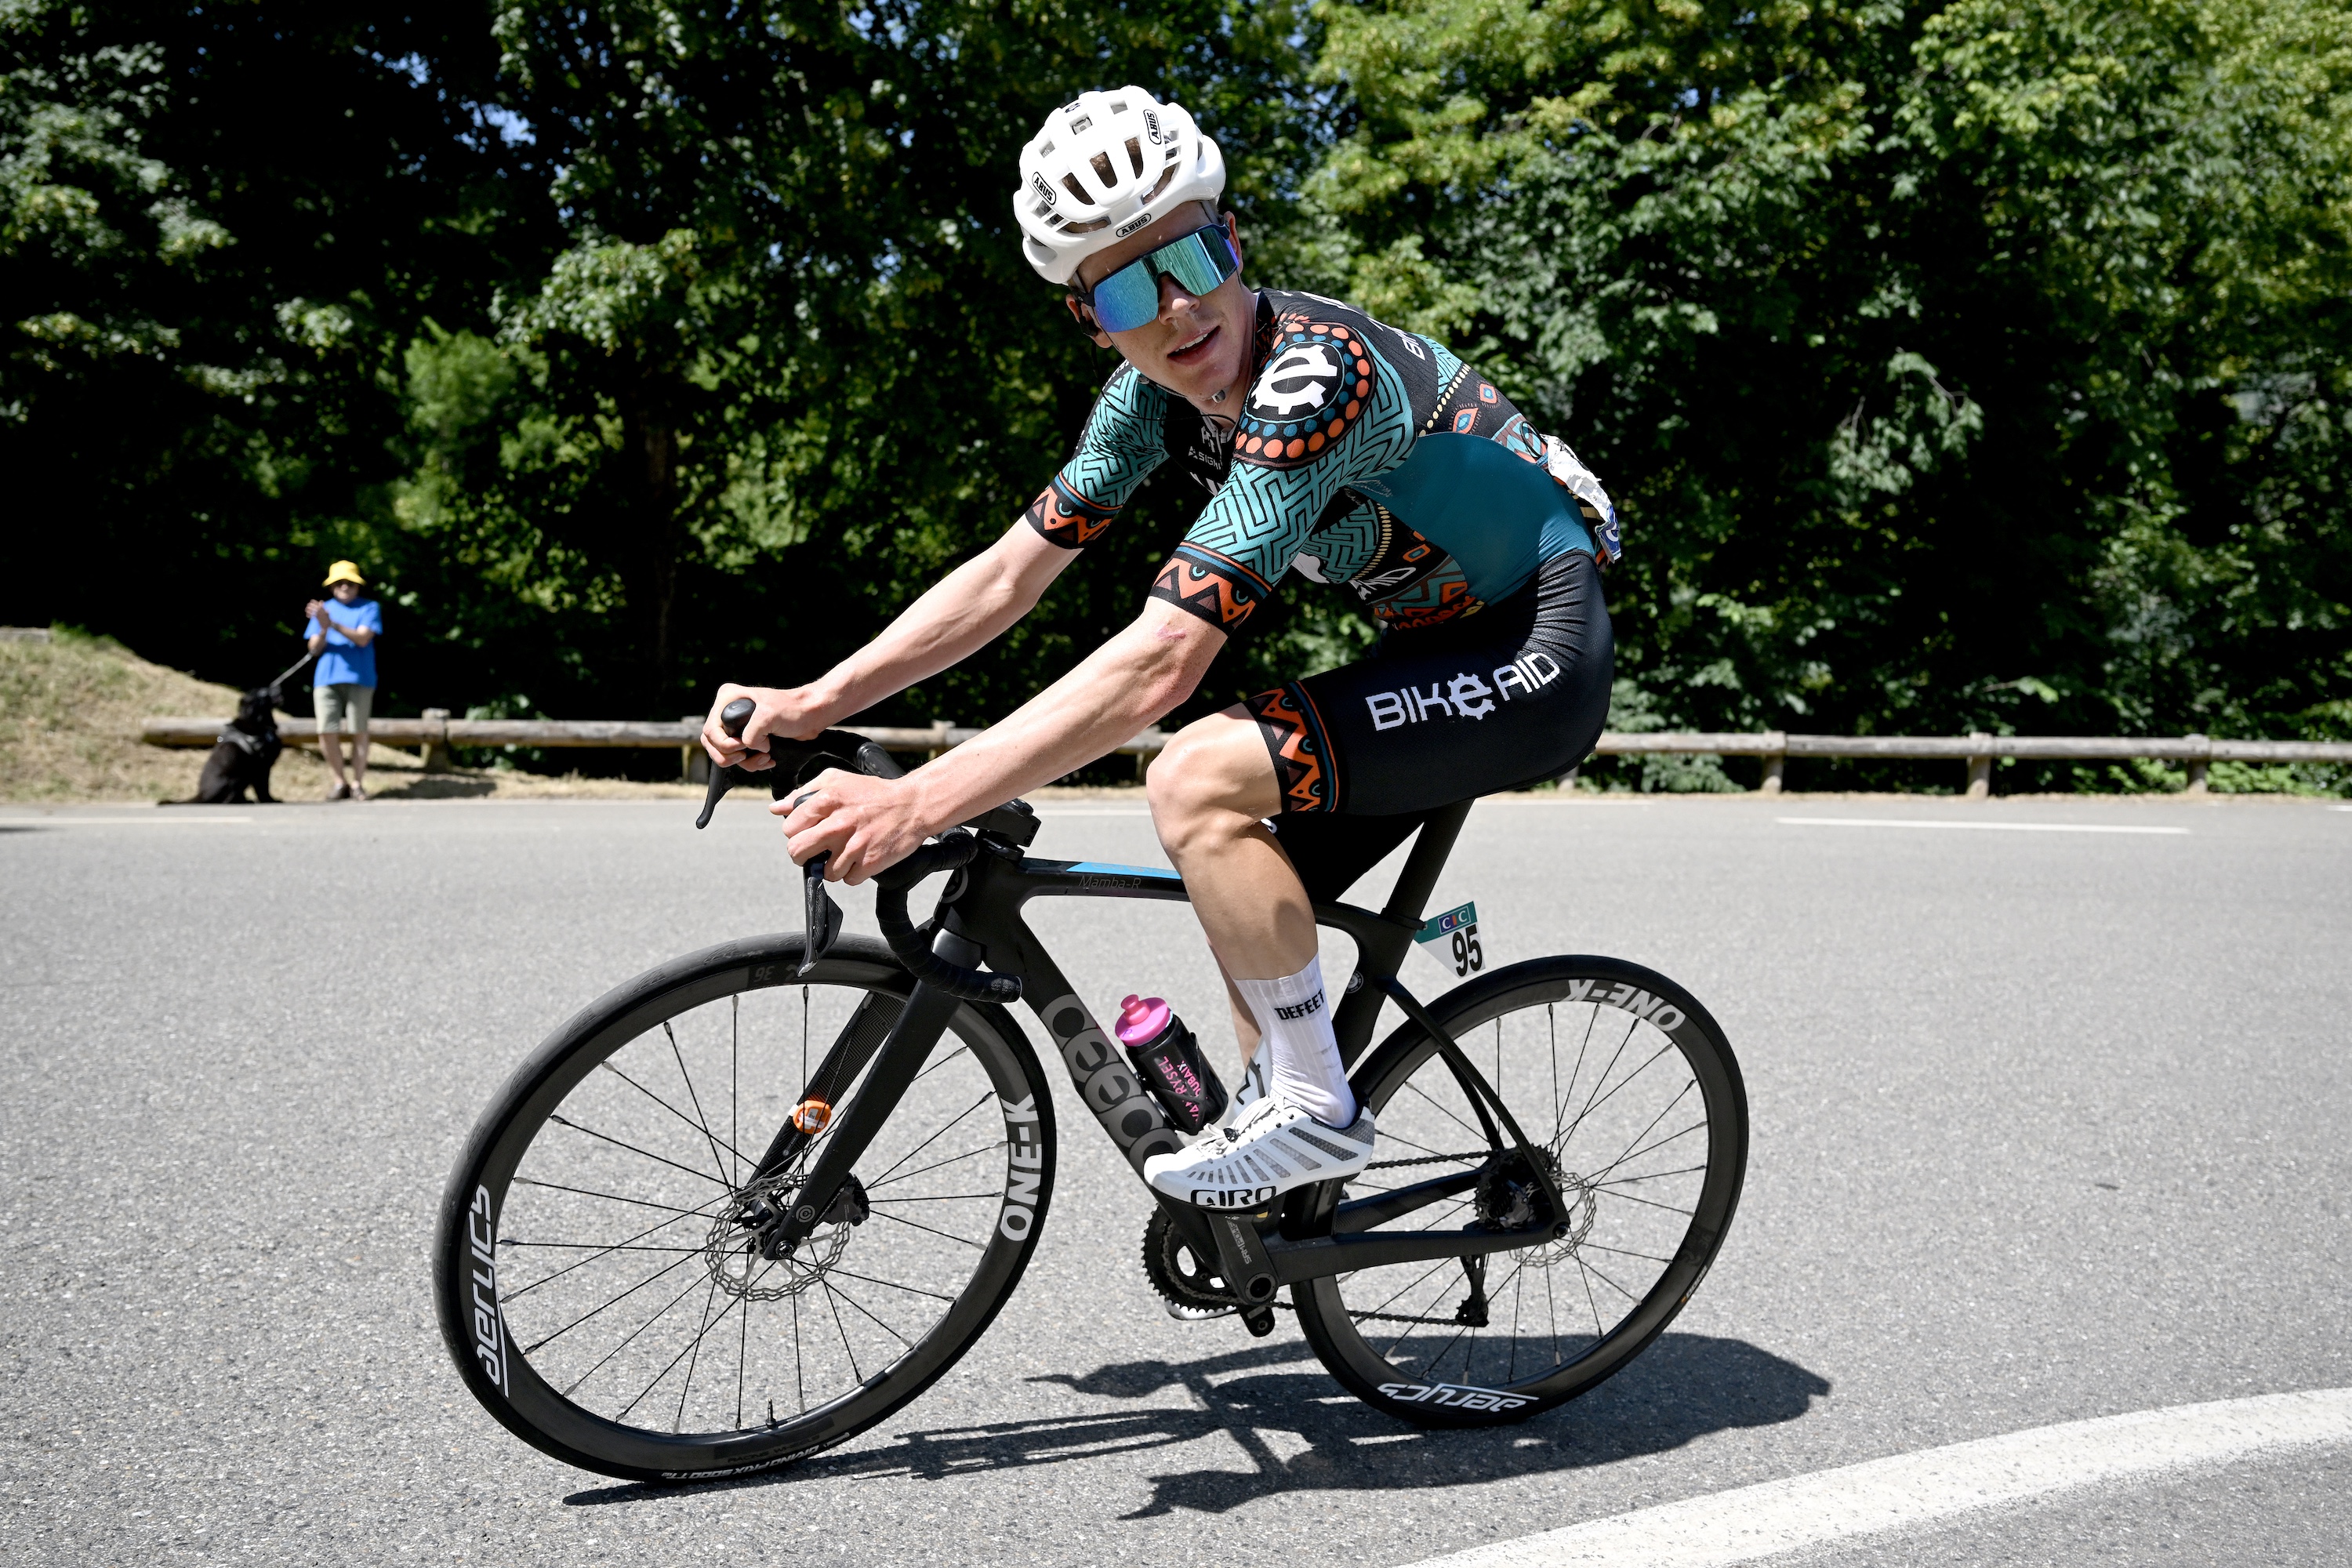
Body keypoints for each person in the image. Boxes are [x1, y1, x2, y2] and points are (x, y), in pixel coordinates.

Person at [703, 88, 1618, 1210]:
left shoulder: (1315, 378)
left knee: (1194, 775)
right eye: (1130, 290)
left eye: (1189, 258)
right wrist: (813, 699)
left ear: (1231, 240)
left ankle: (1313, 1115)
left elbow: (1162, 663)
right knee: (1247, 893)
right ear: (1091, 320)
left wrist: (918, 802)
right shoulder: (1147, 401)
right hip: (1428, 647)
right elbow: (1008, 575)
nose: (1178, 309)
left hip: (1534, 648)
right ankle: (1290, 1194)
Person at [302, 561, 383, 801]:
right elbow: (314, 649)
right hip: (326, 678)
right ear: (331, 586)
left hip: (361, 678)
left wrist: (332, 624)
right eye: (339, 583)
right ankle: (340, 782)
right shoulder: (323, 610)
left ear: (358, 586)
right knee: (326, 730)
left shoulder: (369, 607)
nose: (345, 586)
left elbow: (363, 638)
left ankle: (357, 784)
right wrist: (323, 628)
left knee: (359, 731)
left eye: (350, 583)